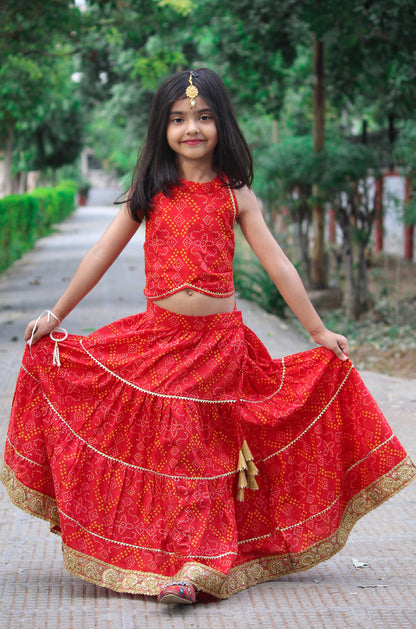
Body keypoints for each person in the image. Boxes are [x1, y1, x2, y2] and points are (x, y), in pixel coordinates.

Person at [2, 68, 415, 606]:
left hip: (218, 348)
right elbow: (100, 254)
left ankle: (198, 565)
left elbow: (278, 264)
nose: (191, 129)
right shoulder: (151, 190)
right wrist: (56, 315)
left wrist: (317, 329)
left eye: (202, 117)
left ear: (221, 123)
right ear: (161, 128)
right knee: (171, 451)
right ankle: (176, 559)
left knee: (200, 452)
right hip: (157, 340)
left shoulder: (235, 193)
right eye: (177, 120)